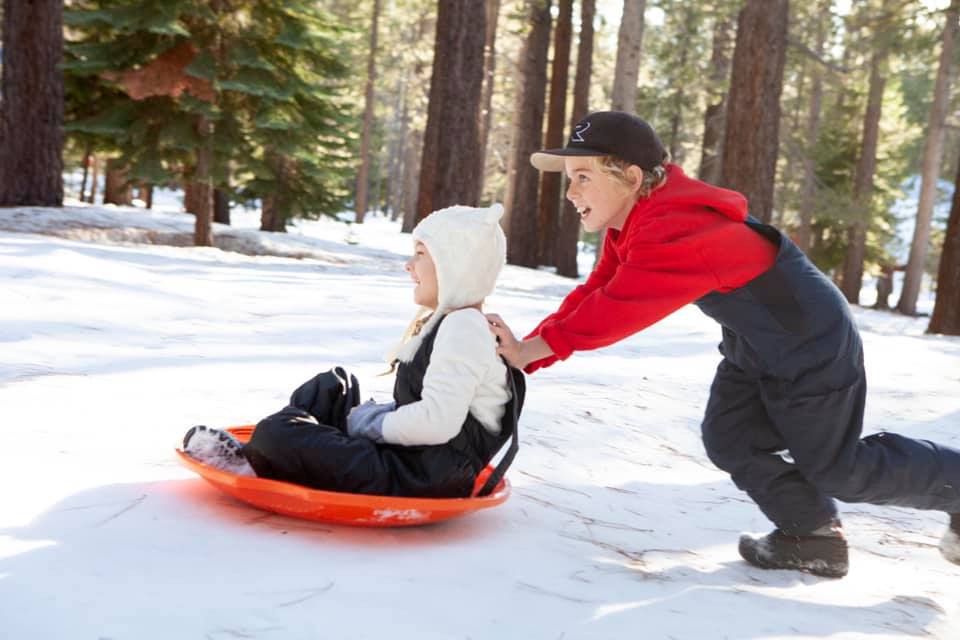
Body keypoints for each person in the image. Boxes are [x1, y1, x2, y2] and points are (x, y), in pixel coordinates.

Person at [486, 110, 960, 578]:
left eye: (583, 176)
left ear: (630, 176)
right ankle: (812, 536)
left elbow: (617, 309)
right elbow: (598, 289)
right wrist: (530, 346)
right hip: (755, 343)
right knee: (731, 437)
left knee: (838, 469)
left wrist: (532, 351)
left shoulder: (675, 226)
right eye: (569, 177)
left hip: (812, 344)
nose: (570, 192)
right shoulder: (637, 220)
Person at [183, 204, 525, 498]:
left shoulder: (463, 326)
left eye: (421, 254)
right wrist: (370, 418)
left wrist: (369, 425)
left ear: (456, 265)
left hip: (422, 476)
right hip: (415, 459)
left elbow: (436, 424)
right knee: (334, 387)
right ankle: (271, 453)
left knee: (277, 434)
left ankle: (258, 460)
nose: (409, 264)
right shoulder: (451, 322)